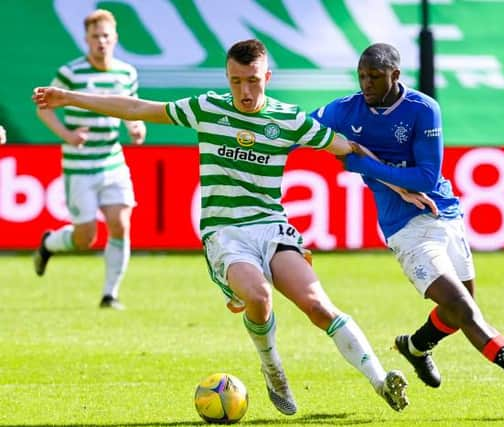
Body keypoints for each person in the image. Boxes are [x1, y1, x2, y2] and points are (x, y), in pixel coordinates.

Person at [33, 39, 409, 414]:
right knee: (259, 298)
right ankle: (272, 367)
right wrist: (70, 97)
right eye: (236, 81)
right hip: (225, 231)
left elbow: (348, 149)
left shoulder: (289, 119)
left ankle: (380, 380)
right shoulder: (208, 108)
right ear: (226, 78)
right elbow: (137, 107)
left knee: (318, 306)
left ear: (268, 77)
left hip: (272, 227)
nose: (244, 91)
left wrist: (401, 185)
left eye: (253, 81)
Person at [311, 43, 504, 404]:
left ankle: (415, 347)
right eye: (362, 76)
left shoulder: (423, 109)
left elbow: (427, 178)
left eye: (375, 76)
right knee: (465, 310)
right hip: (407, 230)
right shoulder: (344, 109)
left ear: (396, 75)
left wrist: (363, 163)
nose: (366, 83)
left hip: (444, 213)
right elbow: (301, 127)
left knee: (459, 309)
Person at [33, 9, 146, 310]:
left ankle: (111, 294)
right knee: (85, 238)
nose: (101, 42)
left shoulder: (126, 73)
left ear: (115, 38)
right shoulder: (71, 73)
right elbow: (43, 107)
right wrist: (67, 134)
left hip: (113, 161)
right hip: (80, 165)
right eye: (95, 37)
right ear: (86, 39)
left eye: (106, 36)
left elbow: (132, 111)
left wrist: (136, 128)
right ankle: (48, 244)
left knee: (121, 223)